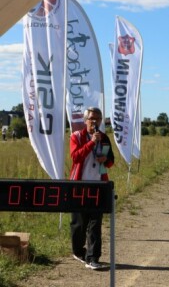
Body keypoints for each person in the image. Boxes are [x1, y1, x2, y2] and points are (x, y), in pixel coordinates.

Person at [69, 107, 114, 270]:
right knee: (79, 223)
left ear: (101, 121)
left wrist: (105, 159)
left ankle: (93, 258)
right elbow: (75, 157)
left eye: (98, 119)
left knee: (95, 223)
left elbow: (110, 161)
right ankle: (78, 251)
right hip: (79, 185)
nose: (94, 122)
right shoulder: (76, 136)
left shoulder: (104, 138)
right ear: (85, 120)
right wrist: (91, 143)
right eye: (91, 119)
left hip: (99, 185)